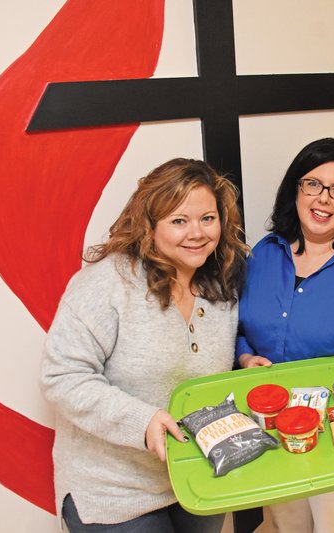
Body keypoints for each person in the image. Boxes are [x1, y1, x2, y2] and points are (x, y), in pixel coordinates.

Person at [40, 158, 248, 532]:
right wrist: (143, 421)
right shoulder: (108, 284)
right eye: (178, 221)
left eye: (207, 218)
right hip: (115, 491)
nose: (197, 233)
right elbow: (62, 376)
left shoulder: (222, 285)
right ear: (149, 226)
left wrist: (243, 365)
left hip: (197, 476)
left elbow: (201, 370)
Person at [236, 137, 334, 532]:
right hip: (272, 422)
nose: (323, 198)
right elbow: (236, 327)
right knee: (285, 522)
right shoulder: (263, 253)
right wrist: (244, 357)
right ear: (295, 189)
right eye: (313, 184)